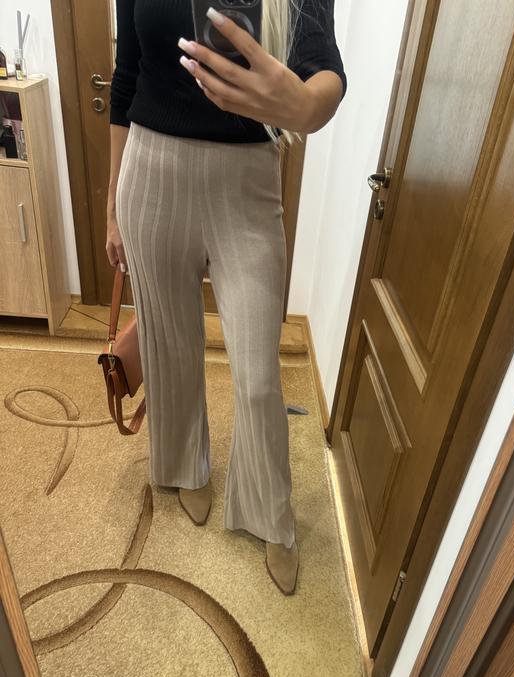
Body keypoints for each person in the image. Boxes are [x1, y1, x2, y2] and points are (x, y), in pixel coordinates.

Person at [106, 1, 347, 596]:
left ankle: (269, 513)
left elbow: (325, 68)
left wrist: (304, 107)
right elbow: (126, 74)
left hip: (248, 183)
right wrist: (112, 205)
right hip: (151, 168)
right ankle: (184, 464)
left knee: (259, 376)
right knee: (169, 346)